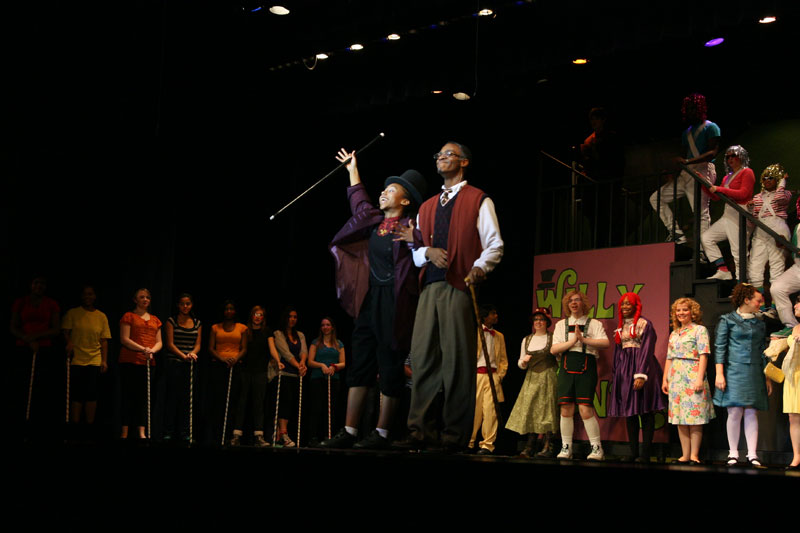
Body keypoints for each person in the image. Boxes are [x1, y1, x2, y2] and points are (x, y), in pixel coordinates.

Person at [322, 147, 426, 450]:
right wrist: (352, 169)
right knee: (361, 362)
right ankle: (351, 430)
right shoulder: (374, 222)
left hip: (396, 303)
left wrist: (416, 239)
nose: (383, 192)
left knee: (390, 364)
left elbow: (423, 253)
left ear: (405, 201)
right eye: (383, 188)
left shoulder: (412, 228)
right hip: (371, 300)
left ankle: (381, 433)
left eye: (390, 190)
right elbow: (360, 202)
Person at [405, 141, 504, 451]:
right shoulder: (426, 206)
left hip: (459, 286)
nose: (441, 158)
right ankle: (420, 431)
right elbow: (415, 251)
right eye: (439, 155)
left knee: (457, 362)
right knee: (422, 359)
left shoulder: (478, 199)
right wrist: (427, 252)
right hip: (430, 288)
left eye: (448, 154)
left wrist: (478, 268)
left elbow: (494, 244)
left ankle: (454, 436)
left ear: (464, 162)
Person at [713, 283, 771, 467]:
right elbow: (720, 347)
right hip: (734, 370)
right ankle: (733, 453)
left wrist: (767, 376)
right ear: (747, 300)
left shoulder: (759, 323)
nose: (760, 304)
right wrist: (719, 373)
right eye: (758, 301)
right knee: (735, 410)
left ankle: (752, 454)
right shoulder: (727, 320)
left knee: (752, 411)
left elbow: (763, 351)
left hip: (754, 370)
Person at [649, 93, 720, 245]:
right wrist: (674, 173)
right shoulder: (686, 133)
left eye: (693, 108)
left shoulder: (711, 126)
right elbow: (683, 157)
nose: (690, 112)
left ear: (701, 108)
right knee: (656, 198)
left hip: (702, 169)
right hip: (686, 172)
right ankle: (676, 233)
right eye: (688, 109)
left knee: (701, 213)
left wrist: (687, 161)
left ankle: (704, 250)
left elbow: (712, 152)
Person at [550, 289, 610, 460]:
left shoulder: (594, 323)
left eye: (577, 300)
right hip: (566, 367)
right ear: (567, 305)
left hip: (586, 367)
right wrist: (572, 342)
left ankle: (597, 449)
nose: (574, 303)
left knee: (585, 409)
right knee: (566, 409)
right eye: (570, 301)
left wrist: (584, 340)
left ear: (583, 303)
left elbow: (605, 343)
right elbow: (554, 349)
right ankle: (566, 447)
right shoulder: (561, 324)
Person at [607, 292, 665, 462]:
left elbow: (647, 350)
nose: (625, 307)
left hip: (642, 368)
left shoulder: (644, 324)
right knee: (630, 413)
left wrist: (641, 374)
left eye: (628, 304)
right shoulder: (621, 326)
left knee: (645, 412)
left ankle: (645, 454)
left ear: (635, 305)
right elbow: (618, 351)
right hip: (625, 371)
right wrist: (617, 373)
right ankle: (633, 453)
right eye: (622, 304)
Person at [661, 297, 715, 464]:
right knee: (680, 417)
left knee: (694, 417)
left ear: (693, 312)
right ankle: (685, 455)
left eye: (685, 310)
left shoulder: (699, 330)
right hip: (676, 377)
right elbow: (669, 358)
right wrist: (665, 379)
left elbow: (704, 354)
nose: (681, 313)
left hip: (692, 375)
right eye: (678, 310)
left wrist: (699, 378)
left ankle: (694, 455)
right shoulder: (674, 333)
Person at [11, 275, 61, 433]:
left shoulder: (51, 304)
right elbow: (12, 326)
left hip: (44, 348)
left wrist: (36, 338)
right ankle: (19, 424)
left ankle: (38, 426)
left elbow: (56, 329)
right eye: (36, 283)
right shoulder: (21, 302)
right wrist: (26, 338)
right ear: (31, 285)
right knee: (22, 386)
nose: (39, 286)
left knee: (41, 387)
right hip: (23, 348)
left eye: (42, 284)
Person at [505, 308, 558, 458]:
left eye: (541, 319)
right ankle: (530, 445)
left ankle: (548, 445)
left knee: (547, 410)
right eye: (536, 320)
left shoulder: (552, 338)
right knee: (531, 409)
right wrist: (524, 362)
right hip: (532, 377)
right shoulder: (527, 339)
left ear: (547, 322)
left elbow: (558, 358)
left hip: (548, 375)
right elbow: (521, 364)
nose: (538, 322)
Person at [62, 285, 111, 440]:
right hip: (77, 358)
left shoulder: (101, 316)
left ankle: (89, 428)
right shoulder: (73, 313)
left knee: (91, 394)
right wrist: (69, 342)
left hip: (94, 359)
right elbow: (65, 331)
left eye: (90, 294)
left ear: (95, 296)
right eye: (85, 294)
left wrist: (104, 360)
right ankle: (75, 427)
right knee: (77, 394)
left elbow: (104, 340)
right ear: (81, 297)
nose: (87, 297)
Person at [702, 145, 755, 280]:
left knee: (738, 252)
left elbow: (744, 194)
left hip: (740, 214)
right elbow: (717, 197)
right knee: (707, 238)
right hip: (728, 215)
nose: (730, 159)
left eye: (734, 156)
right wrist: (704, 185)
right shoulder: (727, 177)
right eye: (728, 156)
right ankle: (723, 269)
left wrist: (720, 189)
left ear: (741, 156)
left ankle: (742, 284)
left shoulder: (747, 172)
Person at [231, 305, 281, 447]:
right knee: (242, 402)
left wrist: (278, 361)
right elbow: (240, 348)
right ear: (251, 316)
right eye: (255, 314)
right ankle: (236, 436)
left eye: (260, 315)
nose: (258, 317)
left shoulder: (267, 332)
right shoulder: (245, 330)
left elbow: (272, 349)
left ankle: (259, 436)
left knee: (259, 404)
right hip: (245, 370)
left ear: (263, 318)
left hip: (260, 372)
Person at [119, 288, 162, 440]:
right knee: (128, 396)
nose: (145, 299)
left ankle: (141, 431)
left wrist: (151, 351)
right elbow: (124, 339)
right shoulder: (129, 316)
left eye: (148, 297)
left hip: (148, 362)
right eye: (142, 297)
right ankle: (124, 431)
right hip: (130, 361)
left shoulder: (155, 319)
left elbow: (159, 342)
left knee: (144, 398)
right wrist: (143, 349)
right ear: (135, 300)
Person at [763, 295, 800, 469]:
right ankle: (797, 457)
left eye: (799, 303)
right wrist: (774, 346)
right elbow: (777, 349)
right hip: (793, 377)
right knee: (793, 418)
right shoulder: (794, 329)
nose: (795, 306)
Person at [749, 164, 792, 310]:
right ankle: (759, 306)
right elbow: (754, 217)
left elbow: (780, 198)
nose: (768, 180)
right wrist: (750, 207)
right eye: (765, 178)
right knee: (754, 268)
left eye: (772, 178)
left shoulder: (785, 193)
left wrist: (782, 182)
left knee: (776, 268)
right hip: (761, 231)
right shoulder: (757, 197)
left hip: (777, 227)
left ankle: (775, 308)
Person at [207, 300, 248, 445]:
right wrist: (222, 359)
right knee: (219, 401)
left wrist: (235, 359)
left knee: (233, 402)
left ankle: (229, 433)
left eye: (231, 308)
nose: (229, 311)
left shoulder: (242, 328)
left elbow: (244, 348)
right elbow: (211, 348)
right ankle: (216, 434)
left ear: (235, 311)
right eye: (226, 309)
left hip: (235, 366)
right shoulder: (215, 328)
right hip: (218, 366)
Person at [468, 305, 507, 455]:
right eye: (493, 313)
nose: (496, 315)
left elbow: (503, 359)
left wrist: (500, 375)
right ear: (485, 317)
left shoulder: (499, 336)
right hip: (477, 376)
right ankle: (469, 442)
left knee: (491, 411)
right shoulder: (475, 332)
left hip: (493, 376)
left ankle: (487, 444)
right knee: (475, 410)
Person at [163, 293, 201, 443]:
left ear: (191, 305)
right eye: (182, 304)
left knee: (187, 400)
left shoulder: (197, 322)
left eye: (188, 304)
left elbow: (198, 344)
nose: (185, 307)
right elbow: (170, 344)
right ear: (178, 305)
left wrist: (192, 354)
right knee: (172, 398)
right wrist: (182, 355)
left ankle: (185, 431)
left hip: (190, 365)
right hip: (175, 364)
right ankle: (168, 430)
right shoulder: (171, 321)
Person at [307, 317, 345, 445]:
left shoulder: (339, 344)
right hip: (317, 378)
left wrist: (334, 366)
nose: (325, 327)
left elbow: (343, 363)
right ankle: (313, 437)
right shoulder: (315, 343)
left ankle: (328, 436)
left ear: (332, 327)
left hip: (333, 379)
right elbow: (310, 361)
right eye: (323, 325)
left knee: (331, 408)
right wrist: (322, 365)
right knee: (316, 407)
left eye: (328, 325)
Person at [273, 306, 307, 447]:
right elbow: (286, 353)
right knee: (283, 404)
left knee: (291, 404)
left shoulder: (300, 335)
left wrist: (303, 363)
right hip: (283, 374)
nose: (292, 319)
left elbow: (303, 351)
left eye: (295, 317)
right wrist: (299, 365)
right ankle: (282, 434)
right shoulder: (278, 333)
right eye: (290, 316)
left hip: (296, 375)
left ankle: (283, 433)